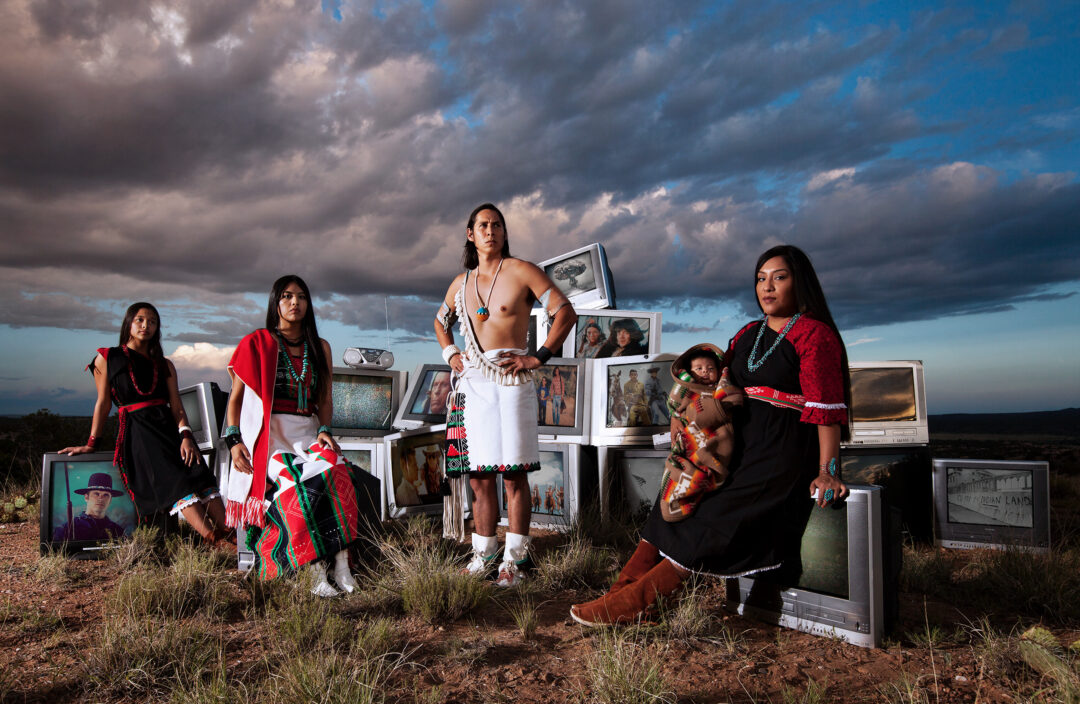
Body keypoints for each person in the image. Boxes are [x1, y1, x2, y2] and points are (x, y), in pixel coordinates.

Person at [570, 245, 849, 626]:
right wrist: (681, 418)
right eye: (760, 278)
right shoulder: (749, 334)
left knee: (715, 514)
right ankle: (622, 591)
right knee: (677, 494)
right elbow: (713, 384)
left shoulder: (814, 335)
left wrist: (827, 469)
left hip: (781, 450)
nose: (767, 287)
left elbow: (827, 411)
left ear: (799, 283)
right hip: (735, 441)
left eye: (779, 277)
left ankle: (639, 602)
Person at [434, 202, 576, 586]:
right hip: (474, 382)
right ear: (470, 234)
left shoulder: (522, 270)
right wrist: (450, 352)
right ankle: (484, 554)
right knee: (479, 477)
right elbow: (440, 320)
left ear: (504, 232)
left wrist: (539, 356)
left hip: (512, 379)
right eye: (483, 225)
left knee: (513, 474)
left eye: (497, 225)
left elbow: (565, 311)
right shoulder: (460, 284)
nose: (491, 231)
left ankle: (516, 561)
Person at [223, 275, 372, 597]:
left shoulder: (320, 347)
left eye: (301, 297)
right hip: (269, 435)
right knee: (295, 484)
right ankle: (315, 570)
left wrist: (324, 430)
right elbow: (235, 399)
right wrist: (234, 442)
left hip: (307, 430)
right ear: (276, 302)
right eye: (287, 296)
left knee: (337, 470)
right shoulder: (256, 342)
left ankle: (343, 563)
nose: (295, 303)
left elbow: (326, 400)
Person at [60, 303, 230, 548]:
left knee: (200, 476)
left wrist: (186, 436)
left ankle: (233, 535)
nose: (145, 326)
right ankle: (213, 540)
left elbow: (177, 408)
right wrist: (91, 444)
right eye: (140, 320)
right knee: (175, 483)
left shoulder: (165, 364)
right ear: (129, 324)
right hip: (139, 432)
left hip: (170, 431)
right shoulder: (107, 358)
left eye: (152, 322)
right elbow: (103, 404)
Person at [657, 345, 744, 522]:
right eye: (699, 369)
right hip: (690, 439)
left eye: (710, 368)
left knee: (712, 453)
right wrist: (678, 416)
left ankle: (699, 481)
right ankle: (678, 494)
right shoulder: (686, 390)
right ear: (689, 372)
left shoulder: (722, 387)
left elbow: (732, 400)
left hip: (712, 437)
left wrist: (715, 408)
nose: (705, 372)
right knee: (681, 460)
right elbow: (675, 407)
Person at [52, 472, 127, 542]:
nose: (100, 498)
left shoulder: (118, 531)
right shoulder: (65, 529)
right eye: (96, 494)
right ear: (86, 497)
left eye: (106, 495)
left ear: (110, 500)